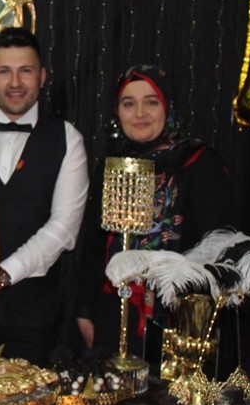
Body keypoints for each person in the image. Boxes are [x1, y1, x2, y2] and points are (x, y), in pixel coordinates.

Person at [76, 63, 235, 356]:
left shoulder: (198, 162)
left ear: (168, 107)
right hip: (115, 309)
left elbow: (217, 248)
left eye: (151, 102)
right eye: (129, 104)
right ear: (117, 112)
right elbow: (94, 245)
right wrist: (85, 311)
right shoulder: (112, 165)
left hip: (177, 314)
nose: (140, 114)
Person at [0, 27, 88, 366]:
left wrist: (0, 275)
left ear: (42, 77)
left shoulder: (67, 138)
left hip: (34, 317)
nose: (15, 82)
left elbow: (63, 228)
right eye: (4, 71)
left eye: (25, 71)